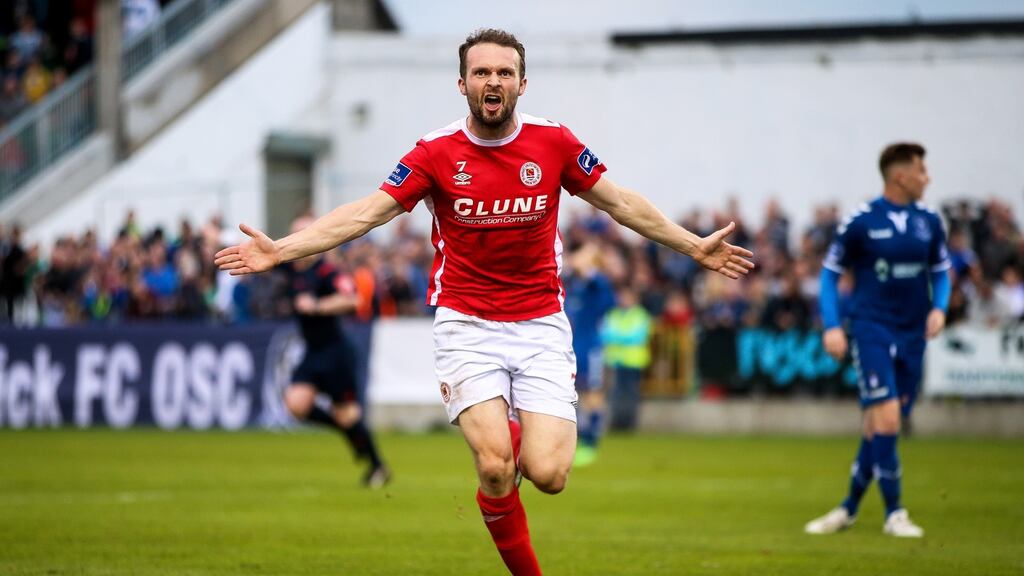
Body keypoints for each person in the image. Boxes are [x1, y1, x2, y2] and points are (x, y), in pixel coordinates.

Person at [215, 29, 753, 575]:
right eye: (480, 72)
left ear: (521, 83)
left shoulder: (554, 142)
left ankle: (516, 432)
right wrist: (280, 250)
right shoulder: (435, 153)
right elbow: (364, 214)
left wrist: (692, 245)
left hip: (541, 323)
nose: (491, 81)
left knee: (549, 475)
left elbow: (620, 202)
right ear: (462, 84)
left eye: (502, 72)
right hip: (466, 324)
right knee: (495, 466)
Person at [805, 143, 951, 538]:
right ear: (900, 176)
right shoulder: (862, 221)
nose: (928, 177)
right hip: (871, 328)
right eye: (922, 170)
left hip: (913, 333)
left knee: (879, 426)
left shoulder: (929, 221)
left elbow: (941, 271)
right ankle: (895, 513)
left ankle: (848, 508)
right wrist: (832, 325)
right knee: (886, 417)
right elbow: (829, 275)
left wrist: (939, 307)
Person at [280, 215, 391, 488]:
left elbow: (353, 300)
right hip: (313, 352)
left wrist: (317, 305)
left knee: (348, 414)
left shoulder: (327, 272)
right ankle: (348, 432)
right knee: (296, 404)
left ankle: (378, 466)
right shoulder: (294, 272)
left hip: (336, 353)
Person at [563, 242, 616, 467]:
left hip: (590, 349)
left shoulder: (598, 283)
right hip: (570, 348)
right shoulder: (575, 284)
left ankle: (591, 443)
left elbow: (608, 304)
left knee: (593, 395)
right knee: (571, 396)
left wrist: (589, 267)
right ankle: (577, 438)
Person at [600, 283, 653, 432]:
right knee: (615, 393)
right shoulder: (613, 314)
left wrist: (616, 337)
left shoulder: (640, 315)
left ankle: (629, 423)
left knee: (631, 393)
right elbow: (604, 334)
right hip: (615, 361)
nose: (623, 299)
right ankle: (617, 423)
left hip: (633, 361)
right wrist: (620, 337)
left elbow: (637, 337)